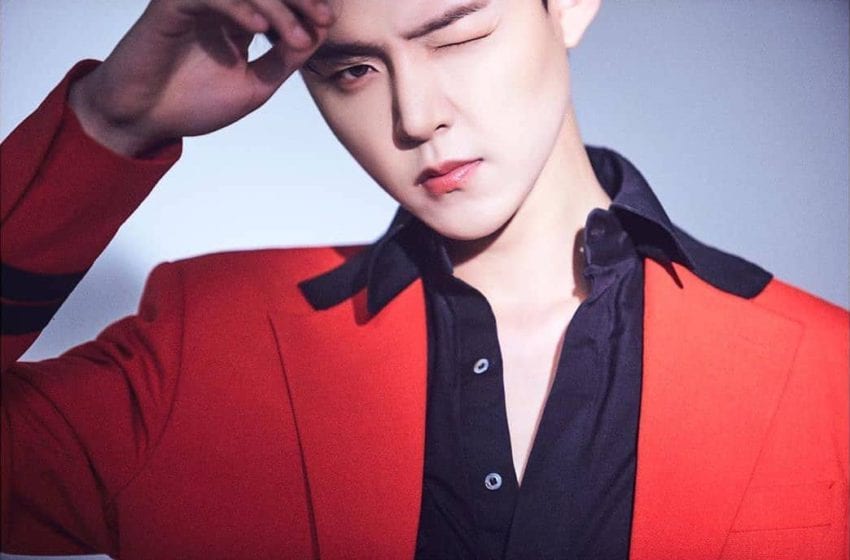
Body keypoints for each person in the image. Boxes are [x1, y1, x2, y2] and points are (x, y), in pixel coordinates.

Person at [1, 0, 846, 558]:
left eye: (455, 35)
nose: (415, 116)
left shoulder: (829, 375)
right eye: (352, 71)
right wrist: (109, 120)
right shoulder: (205, 346)